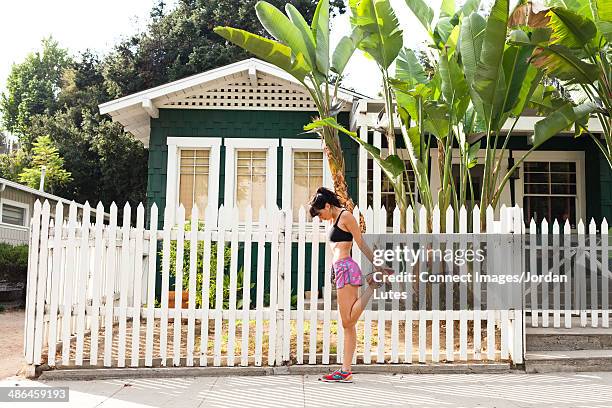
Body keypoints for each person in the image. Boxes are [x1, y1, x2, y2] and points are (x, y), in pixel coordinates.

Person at [308, 187, 393, 383]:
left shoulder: (345, 217)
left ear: (328, 206)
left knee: (347, 321)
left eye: (320, 213)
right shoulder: (332, 219)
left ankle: (373, 283)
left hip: (346, 267)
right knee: (349, 325)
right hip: (339, 270)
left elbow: (360, 242)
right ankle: (345, 370)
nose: (320, 218)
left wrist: (377, 265)